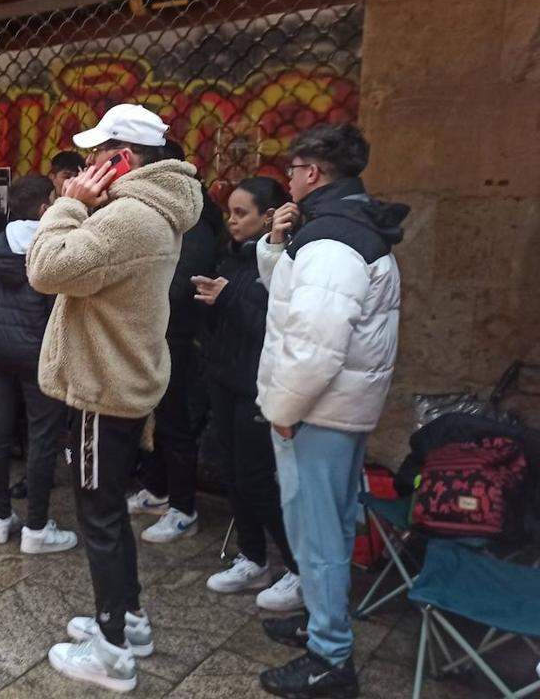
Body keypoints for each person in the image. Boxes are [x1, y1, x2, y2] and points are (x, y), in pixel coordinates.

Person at [29, 103, 202, 692]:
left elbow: (46, 266)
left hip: (103, 388)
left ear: (122, 160)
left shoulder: (129, 216)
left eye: (97, 155)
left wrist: (70, 203)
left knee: (99, 517)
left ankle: (111, 651)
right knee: (108, 515)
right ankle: (128, 619)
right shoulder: (150, 211)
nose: (87, 164)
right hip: (120, 379)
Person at [255, 124, 407, 699]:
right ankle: (322, 623)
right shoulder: (335, 230)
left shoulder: (332, 241)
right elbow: (291, 296)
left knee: (316, 537)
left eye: (291, 170)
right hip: (337, 410)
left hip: (317, 413)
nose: (287, 179)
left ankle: (330, 660)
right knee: (332, 530)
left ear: (312, 173)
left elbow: (315, 343)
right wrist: (274, 243)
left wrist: (283, 409)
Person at [192, 177, 303, 612]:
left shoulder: (286, 262)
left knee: (258, 479)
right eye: (231, 213)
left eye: (243, 214)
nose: (233, 221)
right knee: (234, 475)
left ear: (268, 215)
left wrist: (228, 298)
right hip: (224, 375)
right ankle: (253, 557)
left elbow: (276, 324)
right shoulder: (230, 254)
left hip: (258, 383)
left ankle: (295, 567)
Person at [0, 174, 77, 555]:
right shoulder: (52, 246)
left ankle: (0, 519)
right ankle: (36, 527)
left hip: (2, 351)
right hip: (40, 354)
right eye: (54, 198)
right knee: (43, 437)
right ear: (43, 208)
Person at [132, 140, 219, 544]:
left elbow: (184, 282)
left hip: (178, 337)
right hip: (153, 333)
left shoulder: (193, 215)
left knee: (175, 421)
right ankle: (157, 490)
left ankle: (183, 508)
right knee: (150, 419)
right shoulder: (157, 211)